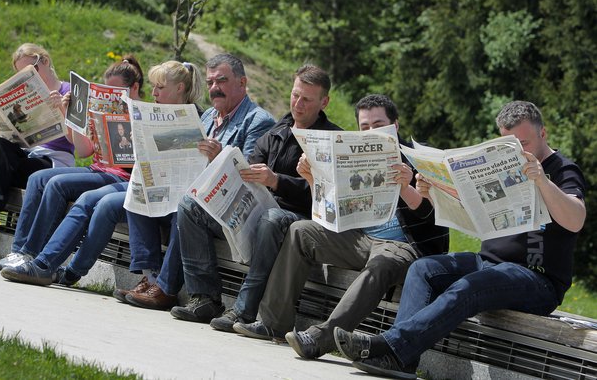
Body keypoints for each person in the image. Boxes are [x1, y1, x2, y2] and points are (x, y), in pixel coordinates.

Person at [333, 101, 585, 380]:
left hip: (536, 278)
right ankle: (400, 360)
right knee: (423, 269)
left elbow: (575, 220)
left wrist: (543, 183)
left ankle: (390, 345)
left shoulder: (563, 170)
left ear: (543, 134)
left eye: (523, 143)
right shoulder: (504, 162)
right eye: (509, 144)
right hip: (488, 263)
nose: (518, 152)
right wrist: (434, 191)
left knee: (470, 287)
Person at [232, 94, 448, 351]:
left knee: (382, 262)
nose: (371, 132)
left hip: (401, 245)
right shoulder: (350, 151)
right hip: (359, 238)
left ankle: (321, 338)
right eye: (365, 127)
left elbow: (431, 218)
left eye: (378, 125)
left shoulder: (418, 157)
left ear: (396, 126)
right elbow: (328, 210)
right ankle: (273, 323)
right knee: (301, 231)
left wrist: (405, 187)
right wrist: (312, 179)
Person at [0, 60, 205, 286]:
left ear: (180, 88)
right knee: (86, 198)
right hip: (140, 183)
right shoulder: (151, 112)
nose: (154, 92)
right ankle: (43, 264)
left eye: (160, 88)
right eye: (154, 87)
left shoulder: (196, 117)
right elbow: (88, 151)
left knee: (102, 203)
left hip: (159, 190)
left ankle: (60, 270)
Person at [170, 64, 341, 327]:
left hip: (297, 217)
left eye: (307, 99)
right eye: (295, 95)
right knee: (190, 206)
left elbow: (328, 195)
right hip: (255, 207)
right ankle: (204, 298)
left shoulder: (332, 139)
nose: (298, 103)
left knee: (272, 219)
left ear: (324, 102)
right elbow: (248, 166)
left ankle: (244, 310)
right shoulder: (277, 130)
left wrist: (277, 181)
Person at [112, 53, 275, 309]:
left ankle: (165, 289)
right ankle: (151, 276)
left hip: (229, 207)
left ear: (242, 83)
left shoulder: (258, 120)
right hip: (195, 193)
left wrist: (219, 158)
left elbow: (250, 177)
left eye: (221, 81)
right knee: (139, 190)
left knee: (186, 209)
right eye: (210, 82)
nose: (214, 88)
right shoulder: (208, 116)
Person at [0, 56, 143, 271]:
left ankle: (31, 254)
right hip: (97, 170)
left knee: (57, 184)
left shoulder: (143, 113)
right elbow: (84, 150)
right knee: (37, 178)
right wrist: (69, 114)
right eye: (108, 90)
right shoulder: (103, 110)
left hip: (120, 177)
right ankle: (18, 251)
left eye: (117, 91)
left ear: (134, 88)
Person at [0, 43, 88, 261]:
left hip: (52, 163)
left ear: (45, 61)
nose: (28, 77)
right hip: (27, 156)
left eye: (31, 70)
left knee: (18, 166)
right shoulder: (25, 95)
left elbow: (82, 144)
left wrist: (62, 109)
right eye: (22, 74)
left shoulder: (68, 92)